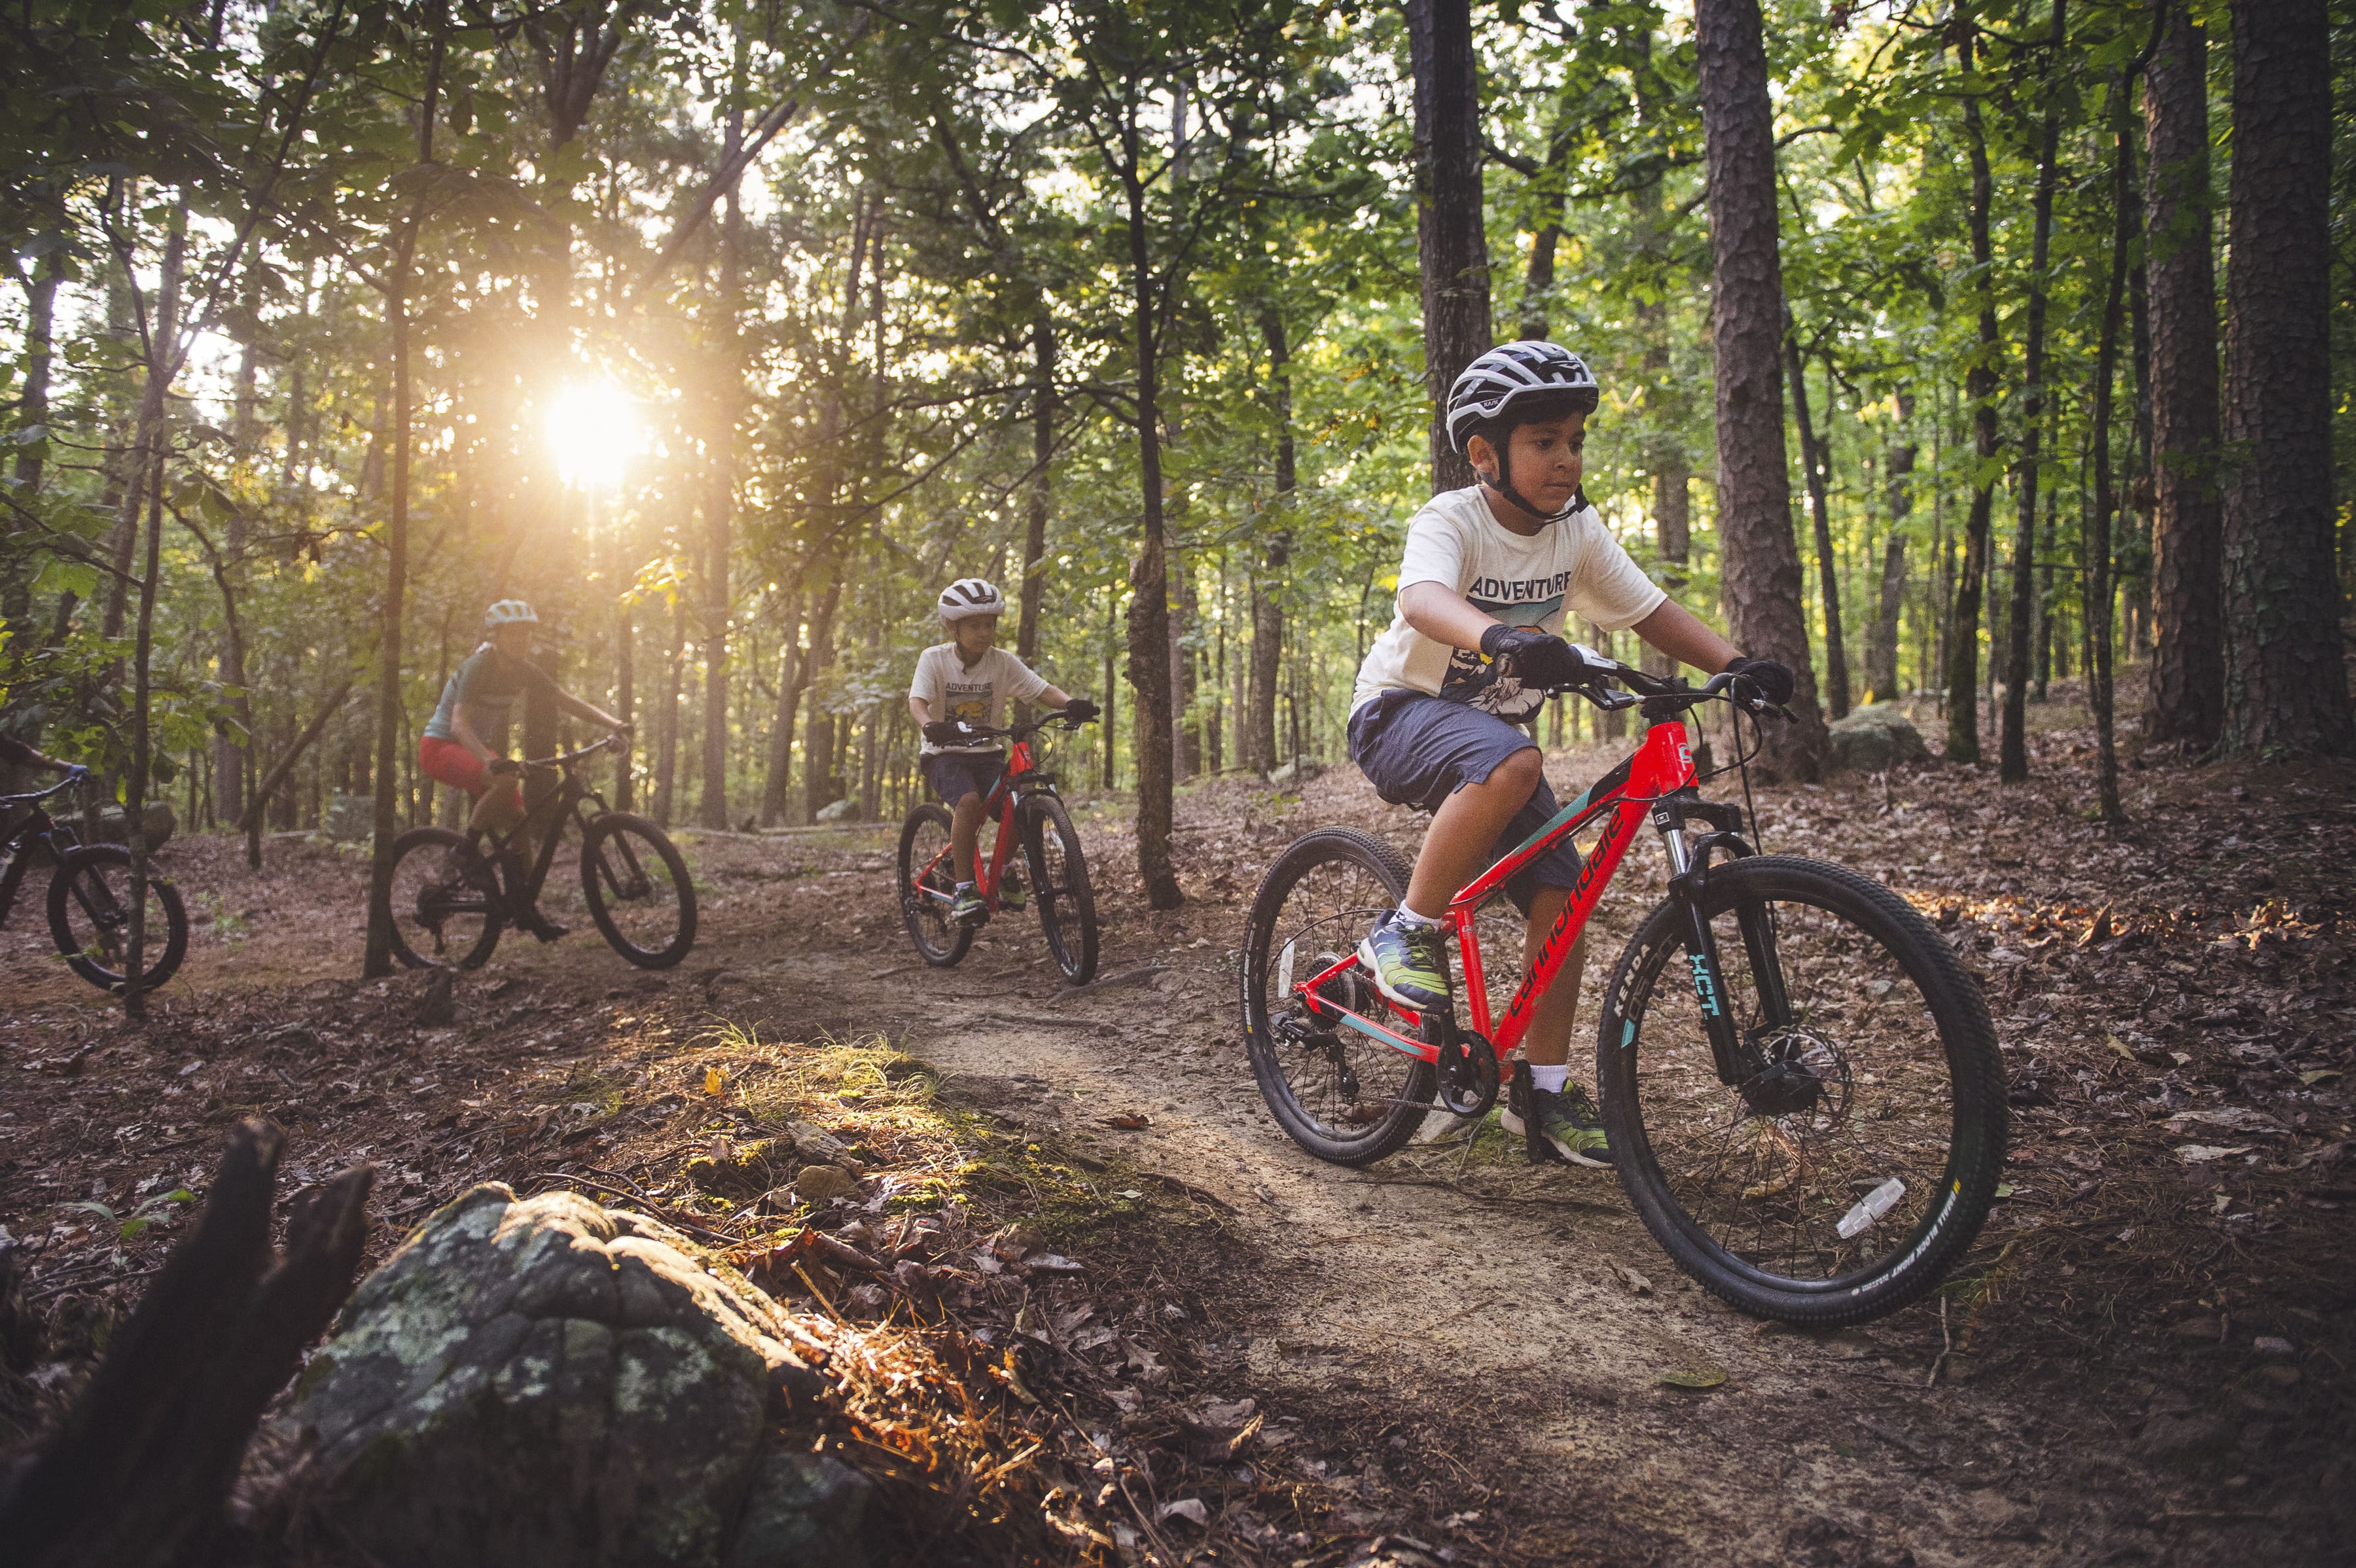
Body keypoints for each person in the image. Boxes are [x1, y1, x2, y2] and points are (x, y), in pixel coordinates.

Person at [1346, 341, 1795, 1166]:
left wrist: (1735, 666)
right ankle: (1406, 930)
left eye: (1576, 441)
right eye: (1543, 441)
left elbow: (1649, 609)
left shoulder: (1575, 532)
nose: (1565, 459)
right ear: (1485, 453)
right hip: (1399, 712)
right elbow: (1421, 597)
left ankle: (1541, 1096)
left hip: (1488, 744)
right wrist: (1502, 636)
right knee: (1514, 759)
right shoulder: (1454, 519)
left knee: (1566, 896)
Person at [418, 600, 630, 940]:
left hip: (475, 748)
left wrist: (615, 723)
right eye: (513, 633)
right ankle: (465, 850)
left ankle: (526, 910)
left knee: (521, 825)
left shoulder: (524, 669)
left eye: (525, 633)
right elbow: (459, 724)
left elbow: (566, 699)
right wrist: (490, 761)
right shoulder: (478, 666)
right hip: (441, 746)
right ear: (498, 634)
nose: (520, 639)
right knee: (505, 778)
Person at [908, 579, 1096, 925]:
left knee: (1020, 805)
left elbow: (1042, 690)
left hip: (987, 753)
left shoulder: (1002, 663)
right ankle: (964, 888)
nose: (983, 632)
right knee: (968, 802)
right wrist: (928, 724)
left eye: (989, 624)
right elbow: (917, 702)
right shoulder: (933, 660)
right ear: (952, 627)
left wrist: (1072, 704)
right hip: (944, 752)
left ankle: (1003, 869)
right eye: (974, 625)